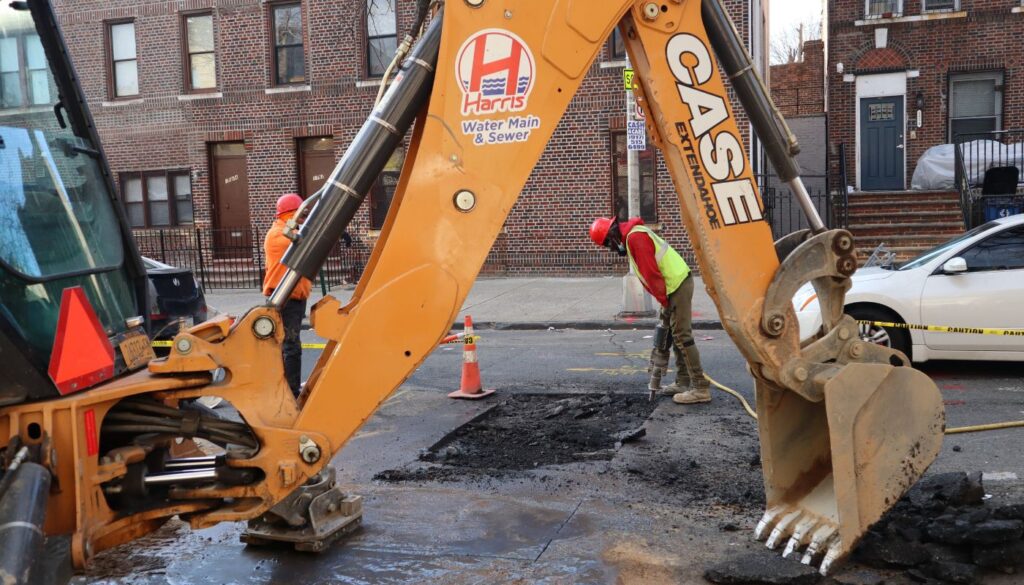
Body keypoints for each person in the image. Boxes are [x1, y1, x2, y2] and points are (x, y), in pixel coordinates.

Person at [589, 216, 710, 404]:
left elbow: (652, 274)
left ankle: (700, 387)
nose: (611, 249)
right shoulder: (633, 236)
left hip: (676, 285)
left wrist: (664, 302)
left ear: (611, 235)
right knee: (675, 334)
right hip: (674, 285)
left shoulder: (635, 238)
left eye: (608, 245)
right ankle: (683, 381)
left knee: (682, 336)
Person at [263, 193, 312, 397]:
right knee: (291, 346)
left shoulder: (287, 231)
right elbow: (303, 244)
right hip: (285, 299)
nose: (304, 219)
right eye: (301, 215)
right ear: (290, 215)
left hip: (294, 299)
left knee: (289, 345)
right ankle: (290, 392)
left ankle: (287, 389)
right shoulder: (279, 236)